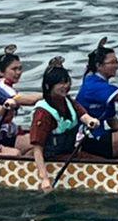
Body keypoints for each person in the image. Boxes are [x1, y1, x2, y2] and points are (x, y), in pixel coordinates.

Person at [27, 59, 89, 187]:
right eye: (60, 83)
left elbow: (83, 115)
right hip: (51, 158)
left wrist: (91, 121)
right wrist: (44, 178)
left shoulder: (68, 101)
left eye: (67, 82)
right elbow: (37, 149)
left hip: (69, 152)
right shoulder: (43, 113)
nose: (65, 86)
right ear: (49, 86)